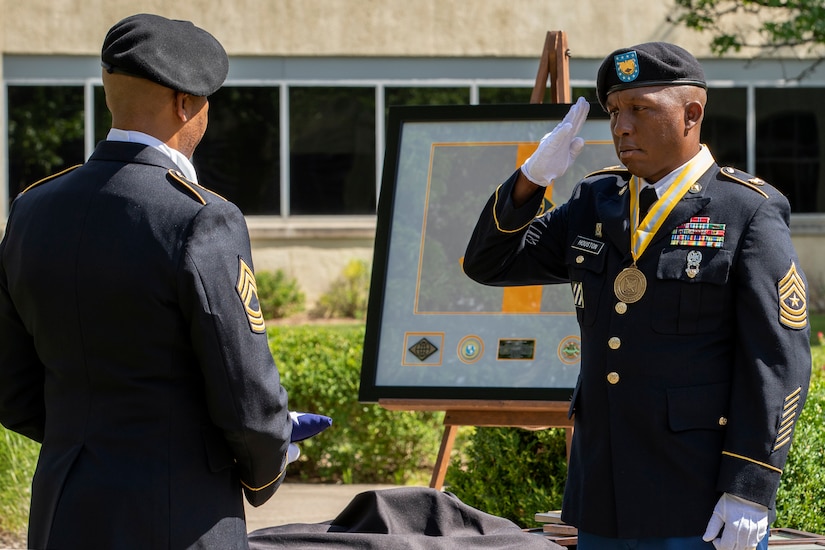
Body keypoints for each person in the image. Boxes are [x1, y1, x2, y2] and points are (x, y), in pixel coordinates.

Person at [463, 42, 812, 550]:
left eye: (640, 110)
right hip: (603, 493)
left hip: (698, 498)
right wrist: (531, 180)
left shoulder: (746, 211)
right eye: (614, 111)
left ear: (691, 114)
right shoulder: (596, 200)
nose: (621, 127)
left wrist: (751, 487)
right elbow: (487, 263)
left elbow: (777, 360)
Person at [0, 13, 302, 549]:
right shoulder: (202, 216)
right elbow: (245, 393)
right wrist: (268, 463)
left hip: (62, 508)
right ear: (185, 103)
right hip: (176, 513)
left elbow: (11, 384)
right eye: (207, 102)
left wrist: (88, 441)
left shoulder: (32, 208)